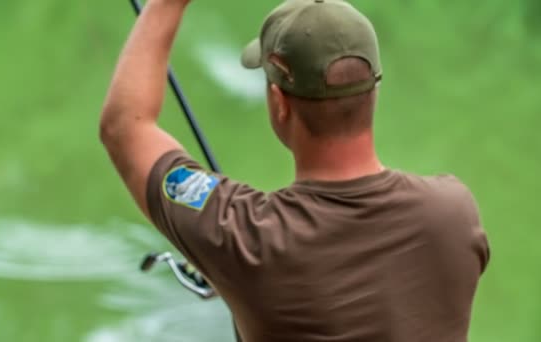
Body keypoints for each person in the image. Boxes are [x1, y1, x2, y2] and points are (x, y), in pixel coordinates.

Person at [100, 0, 491, 341]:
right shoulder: (454, 212)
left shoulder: (245, 238)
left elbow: (125, 128)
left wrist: (167, 4)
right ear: (373, 91)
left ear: (279, 102)